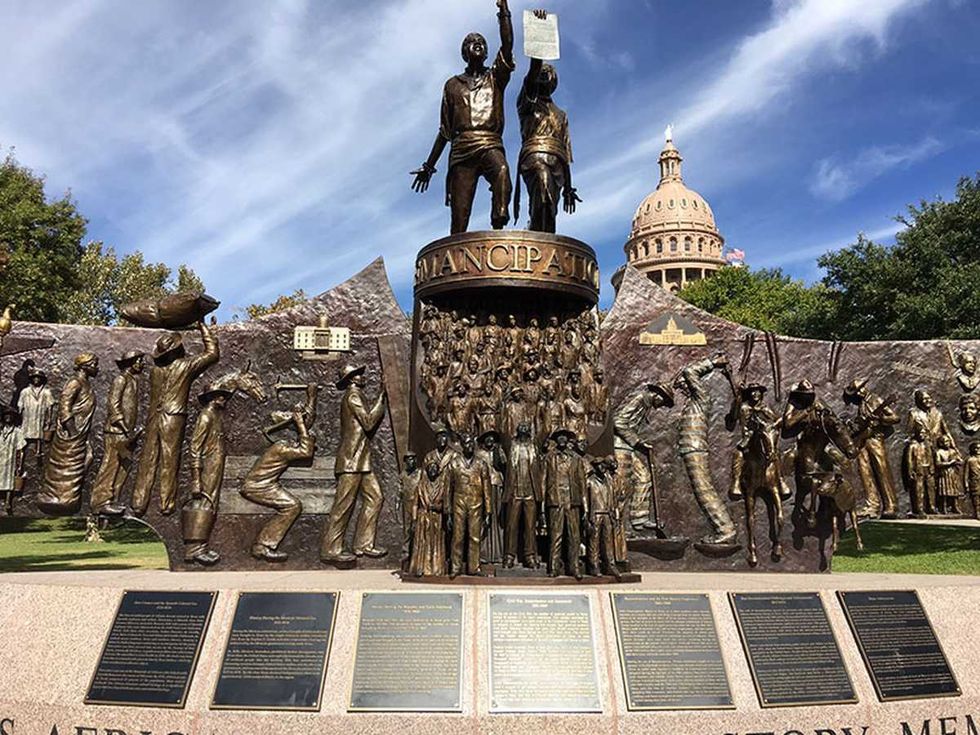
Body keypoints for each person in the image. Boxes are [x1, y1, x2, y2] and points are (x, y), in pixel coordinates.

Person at [411, 0, 515, 234]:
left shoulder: (496, 77)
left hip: (489, 143)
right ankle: (457, 249)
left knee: (502, 173)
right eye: (471, 42)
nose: (477, 44)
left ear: (486, 52)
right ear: (464, 53)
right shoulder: (452, 85)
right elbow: (445, 131)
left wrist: (504, 12)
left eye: (481, 42)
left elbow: (507, 45)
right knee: (460, 215)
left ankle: (498, 228)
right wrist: (429, 166)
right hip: (461, 149)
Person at [132, 321, 220, 516]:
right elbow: (212, 354)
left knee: (148, 458)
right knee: (169, 461)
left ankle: (139, 502)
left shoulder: (155, 371)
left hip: (154, 417)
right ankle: (166, 504)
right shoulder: (184, 366)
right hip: (173, 417)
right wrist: (203, 327)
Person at [321, 364, 388, 563]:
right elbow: (368, 422)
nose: (362, 376)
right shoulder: (353, 396)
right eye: (358, 374)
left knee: (375, 498)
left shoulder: (358, 395)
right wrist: (381, 397)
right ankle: (331, 549)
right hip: (352, 461)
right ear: (351, 379)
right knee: (343, 506)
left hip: (362, 460)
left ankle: (363, 544)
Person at [675, 355, 737, 545]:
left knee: (704, 489)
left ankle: (726, 529)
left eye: (684, 384)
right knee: (701, 489)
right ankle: (724, 528)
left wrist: (712, 363)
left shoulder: (701, 397)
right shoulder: (692, 402)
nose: (682, 387)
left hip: (695, 448)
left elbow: (690, 371)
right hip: (690, 448)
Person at [241, 409, 315, 562]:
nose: (292, 417)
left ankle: (263, 545)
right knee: (293, 506)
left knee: (293, 505)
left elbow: (308, 420)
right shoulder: (280, 447)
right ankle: (262, 546)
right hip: (258, 487)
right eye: (287, 417)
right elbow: (306, 452)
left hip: (266, 485)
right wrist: (300, 424)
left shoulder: (282, 445)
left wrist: (312, 397)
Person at [36, 354, 99, 516]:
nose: (97, 368)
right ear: (84, 366)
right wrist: (73, 433)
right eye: (94, 364)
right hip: (70, 437)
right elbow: (64, 408)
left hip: (80, 435)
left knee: (82, 464)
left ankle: (68, 499)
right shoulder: (74, 383)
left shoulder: (86, 384)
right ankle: (54, 498)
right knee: (63, 469)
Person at [181, 381, 234, 566]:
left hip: (215, 466)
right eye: (220, 395)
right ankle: (193, 550)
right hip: (207, 467)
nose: (224, 399)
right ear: (212, 398)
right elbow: (195, 448)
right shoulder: (205, 416)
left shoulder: (215, 415)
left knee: (210, 505)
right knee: (203, 504)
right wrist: (196, 478)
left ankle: (201, 547)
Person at [612, 382, 674, 532]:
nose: (661, 406)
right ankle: (617, 526)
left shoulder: (646, 404)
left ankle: (639, 519)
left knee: (644, 478)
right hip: (619, 447)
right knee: (621, 488)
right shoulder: (639, 398)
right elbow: (618, 422)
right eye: (663, 401)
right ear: (657, 394)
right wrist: (638, 442)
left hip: (627, 447)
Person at [90, 351, 145, 516]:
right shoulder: (121, 379)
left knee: (124, 466)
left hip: (127, 432)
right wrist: (124, 427)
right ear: (131, 363)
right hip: (116, 431)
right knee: (111, 465)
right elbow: (113, 404)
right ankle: (100, 502)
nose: (142, 364)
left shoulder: (133, 380)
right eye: (139, 361)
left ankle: (113, 499)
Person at [843, 378, 900, 519]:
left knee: (882, 471)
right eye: (856, 392)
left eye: (860, 389)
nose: (859, 393)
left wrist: (880, 420)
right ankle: (872, 505)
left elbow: (895, 418)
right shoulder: (862, 404)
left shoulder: (875, 400)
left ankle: (891, 505)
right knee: (864, 472)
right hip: (863, 441)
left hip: (875, 439)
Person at [543, 428, 586, 578]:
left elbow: (582, 482)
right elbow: (543, 481)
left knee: (574, 536)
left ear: (568, 440)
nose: (562, 439)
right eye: (559, 436)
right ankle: (553, 567)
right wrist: (542, 506)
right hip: (556, 500)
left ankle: (574, 567)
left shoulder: (576, 459)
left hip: (572, 501)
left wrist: (585, 506)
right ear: (556, 439)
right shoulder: (549, 458)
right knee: (556, 535)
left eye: (564, 437)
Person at [447, 435, 492, 577]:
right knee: (458, 536)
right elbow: (448, 489)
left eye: (472, 444)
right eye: (467, 444)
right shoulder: (454, 464)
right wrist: (448, 511)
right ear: (462, 445)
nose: (470, 446)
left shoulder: (481, 464)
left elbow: (487, 489)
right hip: (459, 503)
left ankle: (474, 567)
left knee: (475, 537)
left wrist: (488, 510)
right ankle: (455, 567)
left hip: (476, 503)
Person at [502, 422, 541, 568]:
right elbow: (503, 430)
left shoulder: (534, 446)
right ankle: (509, 556)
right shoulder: (511, 445)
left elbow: (546, 429)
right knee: (511, 526)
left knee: (530, 527)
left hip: (530, 492)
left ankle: (530, 556)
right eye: (521, 426)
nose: (523, 427)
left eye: (526, 426)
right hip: (514, 492)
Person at [409, 460, 450, 577]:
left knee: (436, 543)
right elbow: (415, 504)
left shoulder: (442, 486)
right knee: (423, 542)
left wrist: (438, 507)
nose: (432, 470)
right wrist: (414, 519)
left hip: (437, 518)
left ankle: (436, 569)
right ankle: (420, 567)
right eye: (430, 467)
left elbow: (446, 505)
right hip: (423, 517)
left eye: (434, 468)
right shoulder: (420, 485)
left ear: (438, 471)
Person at [585, 457, 620, 579]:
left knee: (608, 541)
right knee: (594, 542)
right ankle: (594, 566)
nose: (602, 467)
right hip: (595, 514)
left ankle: (610, 565)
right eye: (599, 465)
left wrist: (615, 514)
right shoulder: (589, 481)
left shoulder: (608, 482)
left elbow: (613, 498)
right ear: (595, 467)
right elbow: (585, 500)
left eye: (603, 465)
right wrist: (587, 515)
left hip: (607, 514)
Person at [476, 430, 506, 564]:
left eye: (492, 438)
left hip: (496, 485)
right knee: (484, 519)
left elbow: (504, 467)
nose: (490, 440)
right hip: (483, 487)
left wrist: (500, 455)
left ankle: (498, 552)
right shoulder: (479, 454)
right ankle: (483, 553)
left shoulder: (498, 452)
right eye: (487, 438)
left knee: (497, 520)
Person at [16, 369, 55, 471]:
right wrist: (18, 420)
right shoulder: (25, 392)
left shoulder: (46, 392)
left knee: (39, 440)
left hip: (39, 419)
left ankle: (39, 459)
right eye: (34, 378)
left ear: (42, 380)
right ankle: (19, 465)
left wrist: (49, 420)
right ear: (31, 379)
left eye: (38, 378)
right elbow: (20, 407)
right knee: (23, 442)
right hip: (27, 419)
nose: (36, 379)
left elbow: (50, 407)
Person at [0, 406, 26, 515]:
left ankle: (8, 502)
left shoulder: (17, 432)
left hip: (9, 459)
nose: (8, 417)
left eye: (10, 415)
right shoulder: (1, 430)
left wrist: (19, 465)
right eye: (6, 415)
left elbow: (21, 450)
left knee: (9, 480)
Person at [399, 452, 421, 566]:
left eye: (412, 459)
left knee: (418, 529)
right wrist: (397, 504)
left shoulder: (420, 473)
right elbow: (400, 490)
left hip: (419, 505)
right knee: (407, 530)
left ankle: (418, 555)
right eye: (408, 459)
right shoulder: (403, 475)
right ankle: (406, 554)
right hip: (407, 504)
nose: (410, 461)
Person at [934, 434, 963, 515]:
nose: (947, 443)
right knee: (944, 491)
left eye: (948, 441)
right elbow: (938, 464)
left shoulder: (953, 451)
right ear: (941, 443)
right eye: (945, 441)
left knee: (954, 491)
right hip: (944, 473)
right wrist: (950, 463)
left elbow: (961, 461)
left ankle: (955, 506)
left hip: (953, 473)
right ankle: (943, 507)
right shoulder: (939, 452)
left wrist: (957, 461)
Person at [964, 441, 980, 520]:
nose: (978, 450)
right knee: (976, 498)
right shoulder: (970, 460)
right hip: (974, 481)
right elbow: (966, 474)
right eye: (976, 448)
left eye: (979, 448)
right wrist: (966, 484)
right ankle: (977, 513)